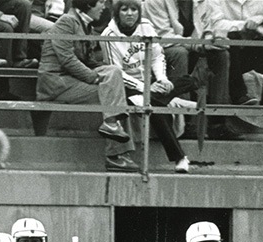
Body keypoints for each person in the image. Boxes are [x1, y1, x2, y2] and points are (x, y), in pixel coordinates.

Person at [36, 0, 139, 172]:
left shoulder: (86, 25)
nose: (104, 7)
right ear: (88, 4)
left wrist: (105, 71)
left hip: (72, 80)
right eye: (100, 2)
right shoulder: (66, 21)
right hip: (57, 83)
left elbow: (88, 60)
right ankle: (115, 155)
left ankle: (112, 127)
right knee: (113, 95)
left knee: (114, 72)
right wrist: (93, 77)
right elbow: (67, 59)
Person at [101, 0, 196, 173]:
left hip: (149, 82)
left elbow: (157, 56)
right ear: (117, 13)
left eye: (133, 10)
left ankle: (172, 95)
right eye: (124, 10)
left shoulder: (146, 25)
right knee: (154, 104)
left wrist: (161, 79)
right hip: (127, 86)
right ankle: (179, 157)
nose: (130, 13)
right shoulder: (108, 35)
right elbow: (116, 72)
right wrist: (145, 88)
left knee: (181, 83)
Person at [142, 0, 244, 140]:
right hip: (158, 51)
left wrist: (211, 38)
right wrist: (199, 45)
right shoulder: (154, 2)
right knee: (180, 53)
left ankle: (217, 122)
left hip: (192, 46)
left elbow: (213, 23)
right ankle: (184, 122)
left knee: (221, 54)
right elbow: (163, 36)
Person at [213, 0, 263, 141]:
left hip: (255, 49)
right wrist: (245, 26)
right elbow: (215, 24)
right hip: (228, 50)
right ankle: (239, 94)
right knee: (231, 36)